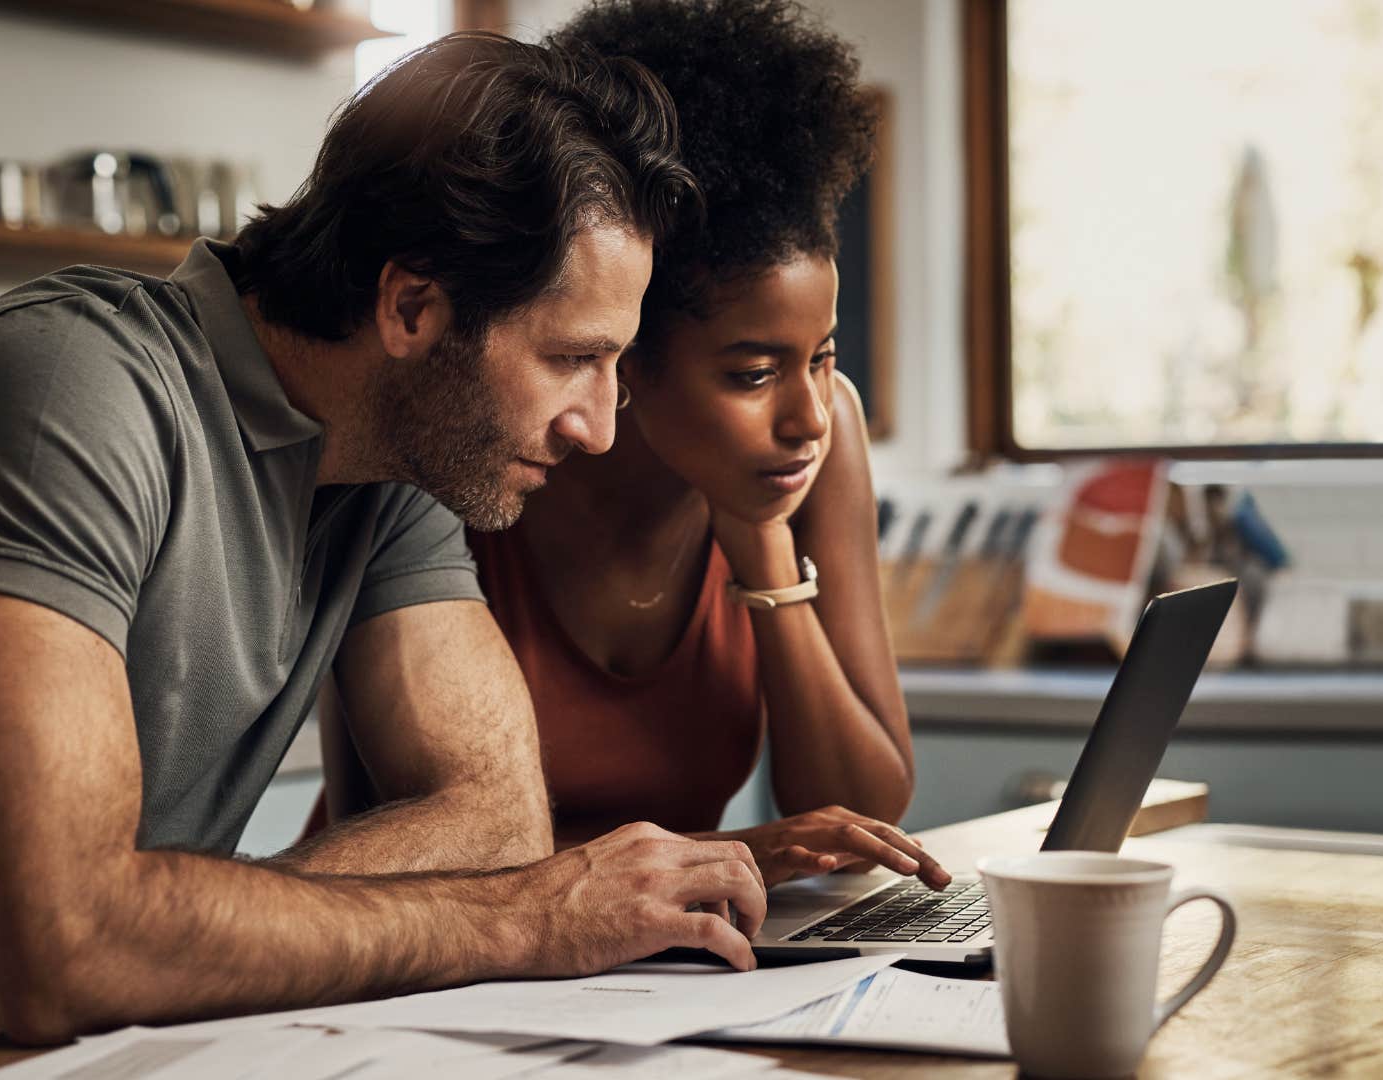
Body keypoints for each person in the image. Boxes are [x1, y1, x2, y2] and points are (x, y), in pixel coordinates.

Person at [0, 34, 775, 1080]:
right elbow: (63, 950)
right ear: (413, 307)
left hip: (84, 1040)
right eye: (573, 357)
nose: (601, 426)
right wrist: (523, 920)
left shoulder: (399, 461)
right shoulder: (65, 394)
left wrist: (164, 936)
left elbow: (493, 821)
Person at [310, 0, 952, 893]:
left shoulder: (813, 445)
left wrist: (761, 543)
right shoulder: (467, 455)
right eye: (753, 372)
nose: (810, 414)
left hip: (646, 962)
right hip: (418, 960)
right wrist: (720, 854)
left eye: (825, 354)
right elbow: (382, 840)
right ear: (625, 350)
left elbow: (865, 812)